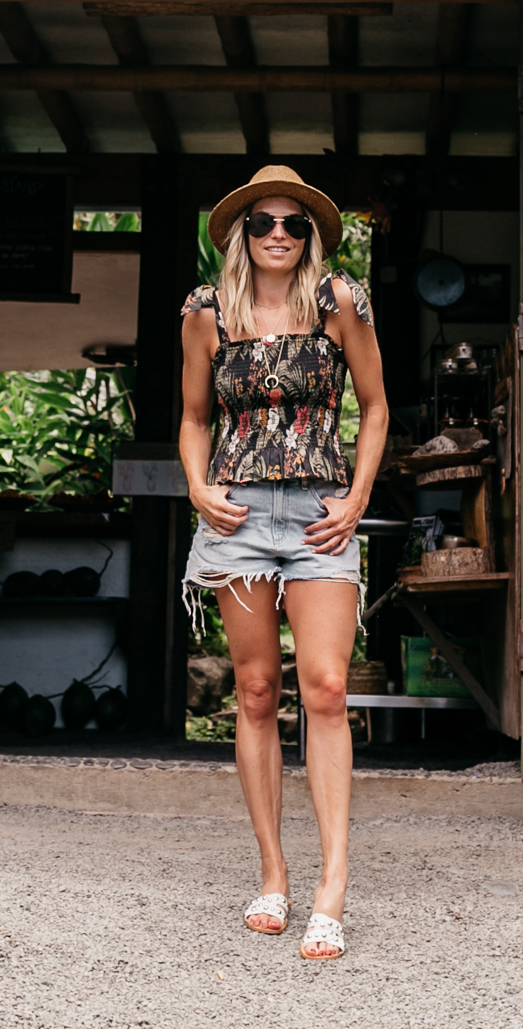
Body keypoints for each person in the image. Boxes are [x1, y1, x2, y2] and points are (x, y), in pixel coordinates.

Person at [178, 164, 387, 962]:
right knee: (258, 691)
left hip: (318, 518)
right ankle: (273, 873)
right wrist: (198, 486)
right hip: (236, 517)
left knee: (325, 688)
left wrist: (356, 499)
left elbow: (375, 407)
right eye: (263, 222)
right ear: (241, 232)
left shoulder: (339, 302)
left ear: (310, 237)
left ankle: (333, 887)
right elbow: (194, 417)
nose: (278, 234)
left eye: (293, 224)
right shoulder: (206, 312)